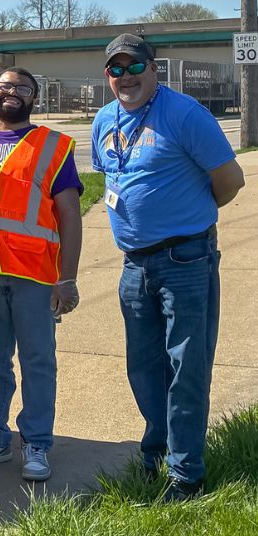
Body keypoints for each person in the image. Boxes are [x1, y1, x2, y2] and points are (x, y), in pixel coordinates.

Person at [91, 34, 243, 499]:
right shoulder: (104, 119)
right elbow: (111, 179)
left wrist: (190, 220)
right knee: (144, 367)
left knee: (186, 368)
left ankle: (187, 474)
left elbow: (230, 180)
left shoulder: (184, 114)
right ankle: (156, 454)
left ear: (154, 69)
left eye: (134, 67)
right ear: (108, 77)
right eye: (116, 70)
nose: (126, 77)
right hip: (134, 264)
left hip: (186, 259)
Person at [0, 67, 82, 481]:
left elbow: (70, 215)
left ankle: (37, 444)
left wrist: (68, 277)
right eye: (5, 86)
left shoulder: (54, 146)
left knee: (38, 360)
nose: (12, 93)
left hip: (36, 274)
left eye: (22, 88)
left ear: (34, 97)